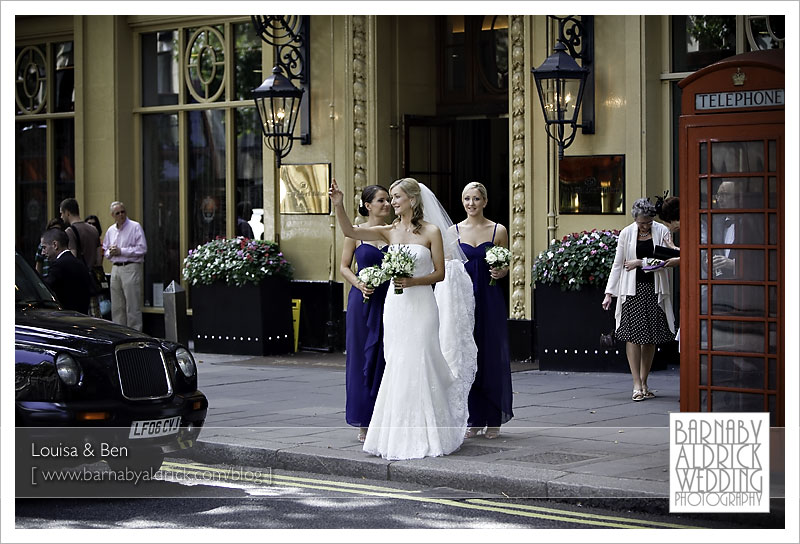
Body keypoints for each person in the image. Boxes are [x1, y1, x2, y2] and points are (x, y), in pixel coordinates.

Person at [329, 177, 477, 460]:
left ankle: (431, 431)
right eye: (390, 197)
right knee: (397, 363)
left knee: (422, 358)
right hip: (395, 307)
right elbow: (350, 230)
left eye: (396, 197)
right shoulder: (388, 231)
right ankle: (397, 433)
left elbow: (440, 274)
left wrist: (413, 281)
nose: (392, 202)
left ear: (412, 199)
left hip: (422, 304)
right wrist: (339, 204)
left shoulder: (432, 231)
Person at [602, 198, 675, 402]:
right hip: (632, 290)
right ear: (635, 219)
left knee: (650, 337)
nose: (645, 226)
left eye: (648, 222)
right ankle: (636, 383)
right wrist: (609, 293)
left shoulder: (661, 231)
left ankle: (644, 381)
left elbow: (667, 259)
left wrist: (640, 262)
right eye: (642, 222)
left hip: (654, 289)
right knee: (633, 336)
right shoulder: (626, 233)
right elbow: (618, 264)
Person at [456, 182, 513, 440]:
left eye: (476, 198)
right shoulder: (452, 231)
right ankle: (473, 418)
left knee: (491, 355)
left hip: (490, 299)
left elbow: (506, 264)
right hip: (464, 299)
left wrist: (502, 272)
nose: (471, 204)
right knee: (467, 356)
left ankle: (494, 418)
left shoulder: (498, 230)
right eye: (467, 199)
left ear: (485, 201)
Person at [339, 185, 392, 442]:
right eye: (381, 200)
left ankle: (387, 417)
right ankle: (364, 420)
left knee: (387, 358)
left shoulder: (394, 232)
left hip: (390, 301)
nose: (387, 204)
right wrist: (359, 283)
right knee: (362, 358)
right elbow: (344, 267)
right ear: (368, 205)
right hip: (362, 300)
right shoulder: (357, 233)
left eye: (389, 200)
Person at [103, 201, 147, 331]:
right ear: (113, 215)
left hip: (131, 267)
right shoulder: (111, 230)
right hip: (116, 268)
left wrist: (121, 251)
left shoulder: (135, 227)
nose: (121, 215)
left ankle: (135, 334)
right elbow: (105, 250)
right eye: (118, 213)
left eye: (123, 212)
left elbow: (142, 248)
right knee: (117, 306)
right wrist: (110, 252)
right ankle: (120, 333)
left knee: (132, 305)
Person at [40, 228, 95, 314]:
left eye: (44, 247)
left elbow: (45, 288)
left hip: (65, 317)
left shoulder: (58, 266)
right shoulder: (80, 264)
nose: (43, 253)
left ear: (55, 245)